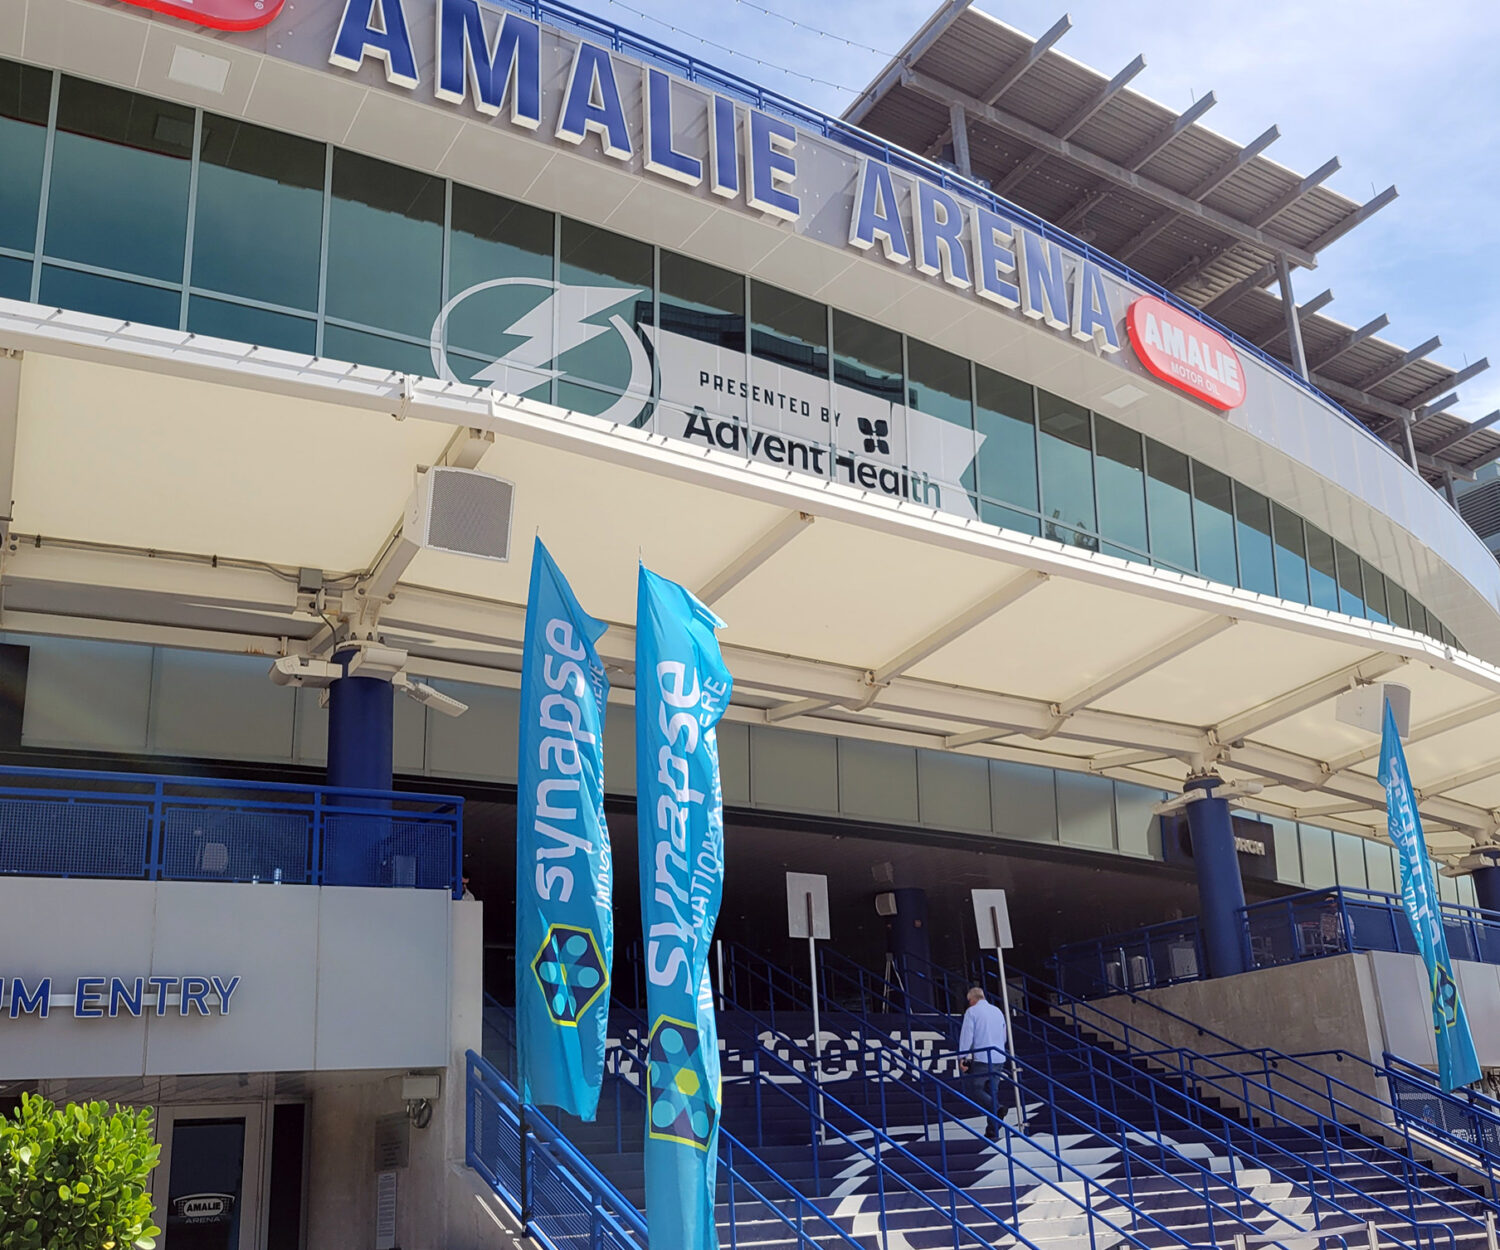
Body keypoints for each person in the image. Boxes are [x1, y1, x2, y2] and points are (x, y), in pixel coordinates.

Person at [957, 985, 1018, 1140]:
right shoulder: (997, 1011)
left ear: (971, 1000)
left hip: (982, 1058)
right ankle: (992, 1130)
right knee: (992, 1092)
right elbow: (1004, 1036)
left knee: (973, 1089)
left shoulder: (972, 1012)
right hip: (998, 1056)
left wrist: (962, 1057)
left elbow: (967, 1035)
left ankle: (997, 1109)